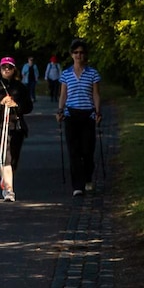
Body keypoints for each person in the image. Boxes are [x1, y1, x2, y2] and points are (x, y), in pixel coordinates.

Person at [56, 38, 101, 197]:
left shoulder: (92, 73)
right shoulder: (66, 74)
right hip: (71, 114)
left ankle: (88, 177)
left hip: (87, 114)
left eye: (81, 53)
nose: (78, 55)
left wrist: (97, 112)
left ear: (85, 55)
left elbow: (95, 94)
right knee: (74, 151)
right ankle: (77, 185)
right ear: (71, 54)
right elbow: (63, 94)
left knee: (87, 150)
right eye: (76, 52)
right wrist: (60, 110)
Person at [0, 57, 33, 202]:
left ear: (14, 69)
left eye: (9, 67)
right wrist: (0, 104)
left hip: (16, 126)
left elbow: (29, 107)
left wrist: (16, 105)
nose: (7, 70)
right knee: (6, 157)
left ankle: (6, 183)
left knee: (14, 159)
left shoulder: (20, 87)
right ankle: (9, 190)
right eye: (4, 67)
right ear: (0, 69)